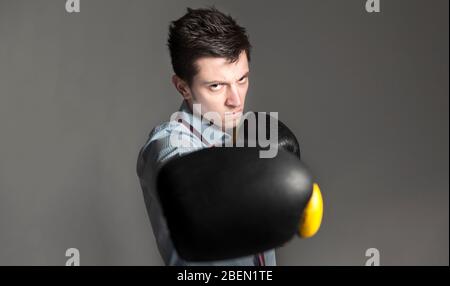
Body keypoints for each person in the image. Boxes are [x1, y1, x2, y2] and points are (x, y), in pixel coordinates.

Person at [136, 7, 276, 266]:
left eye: (242, 79)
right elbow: (181, 175)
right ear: (183, 87)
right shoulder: (168, 143)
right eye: (216, 85)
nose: (236, 100)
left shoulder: (237, 140)